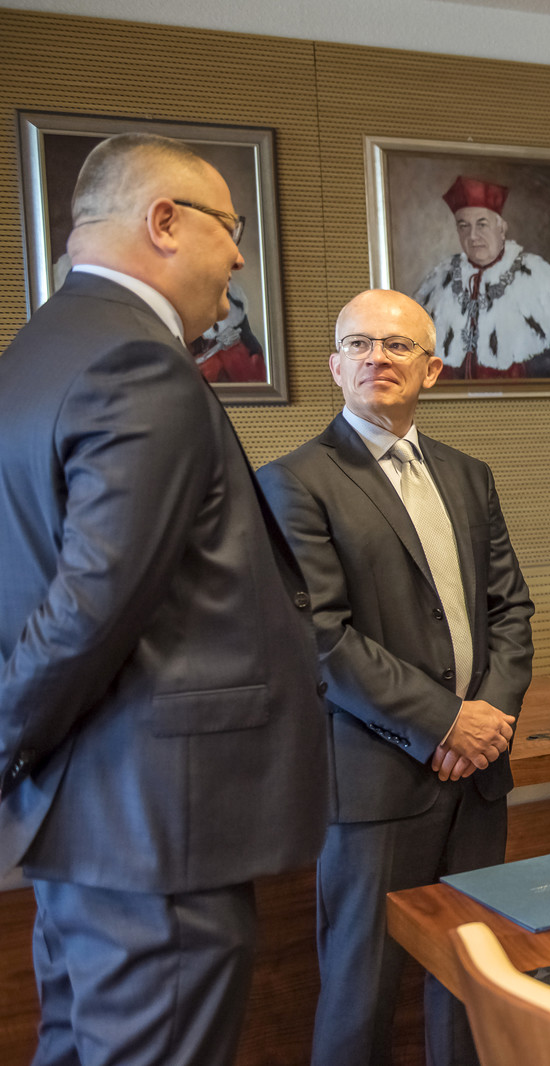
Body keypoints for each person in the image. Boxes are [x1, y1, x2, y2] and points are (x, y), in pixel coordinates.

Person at [0, 133, 330, 1066]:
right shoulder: (138, 364)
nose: (239, 258)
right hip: (157, 827)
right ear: (164, 222)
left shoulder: (36, 353)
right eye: (231, 228)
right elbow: (92, 604)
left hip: (80, 814)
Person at [258, 289, 535, 1065]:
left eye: (397, 345)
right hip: (374, 784)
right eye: (359, 344)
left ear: (432, 369)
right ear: (334, 367)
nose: (376, 358)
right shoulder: (294, 482)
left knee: (471, 982)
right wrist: (445, 721)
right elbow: (320, 638)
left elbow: (511, 609)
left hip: (477, 776)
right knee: (361, 993)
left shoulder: (469, 476)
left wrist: (487, 720)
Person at [413, 174, 550, 380]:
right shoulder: (441, 279)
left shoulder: (537, 276)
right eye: (463, 226)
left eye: (482, 224)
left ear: (501, 229)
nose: (472, 236)